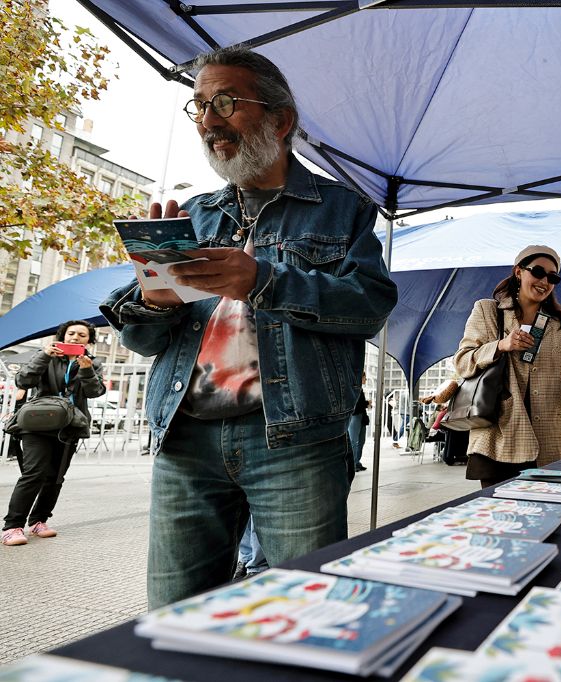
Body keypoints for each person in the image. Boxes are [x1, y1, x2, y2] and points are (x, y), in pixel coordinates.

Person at [100, 46, 398, 607]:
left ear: (280, 120)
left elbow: (370, 306)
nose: (208, 121)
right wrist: (156, 301)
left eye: (226, 102)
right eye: (200, 107)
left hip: (295, 439)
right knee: (173, 617)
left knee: (305, 612)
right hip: (184, 441)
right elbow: (139, 337)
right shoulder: (198, 213)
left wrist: (263, 279)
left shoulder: (343, 209)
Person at [453, 245, 561, 488]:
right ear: (518, 272)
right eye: (537, 271)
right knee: (498, 519)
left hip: (545, 441)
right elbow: (463, 362)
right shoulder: (487, 311)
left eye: (553, 276)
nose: (544, 281)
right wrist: (501, 345)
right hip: (498, 438)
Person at [2, 321, 106, 546]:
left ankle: (39, 521)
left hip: (69, 426)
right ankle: (12, 526)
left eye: (81, 334)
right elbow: (23, 381)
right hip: (37, 423)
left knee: (55, 477)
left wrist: (87, 369)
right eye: (71, 333)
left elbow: (95, 392)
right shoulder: (45, 356)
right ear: (62, 336)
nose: (75, 337)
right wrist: (44, 356)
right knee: (34, 473)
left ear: (89, 340)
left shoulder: (93, 363)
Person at [347, 372, 370, 477]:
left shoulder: (360, 390)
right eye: (365, 378)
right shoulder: (354, 389)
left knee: (361, 440)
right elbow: (355, 405)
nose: (366, 380)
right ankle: (352, 463)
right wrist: (366, 403)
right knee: (354, 440)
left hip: (361, 416)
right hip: (355, 416)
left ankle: (357, 461)